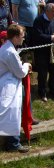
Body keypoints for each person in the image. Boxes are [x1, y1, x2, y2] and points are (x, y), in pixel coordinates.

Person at [0, 24, 31, 152]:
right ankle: (13, 144)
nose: (23, 38)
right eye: (22, 36)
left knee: (12, 114)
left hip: (9, 85)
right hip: (9, 86)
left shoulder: (7, 48)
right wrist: (26, 65)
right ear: (16, 37)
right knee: (12, 114)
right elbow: (20, 72)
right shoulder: (10, 51)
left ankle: (13, 143)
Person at [32, 3, 54, 102]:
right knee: (42, 73)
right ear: (47, 11)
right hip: (41, 51)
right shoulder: (38, 20)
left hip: (52, 51)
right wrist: (50, 38)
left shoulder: (53, 20)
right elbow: (37, 35)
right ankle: (42, 92)